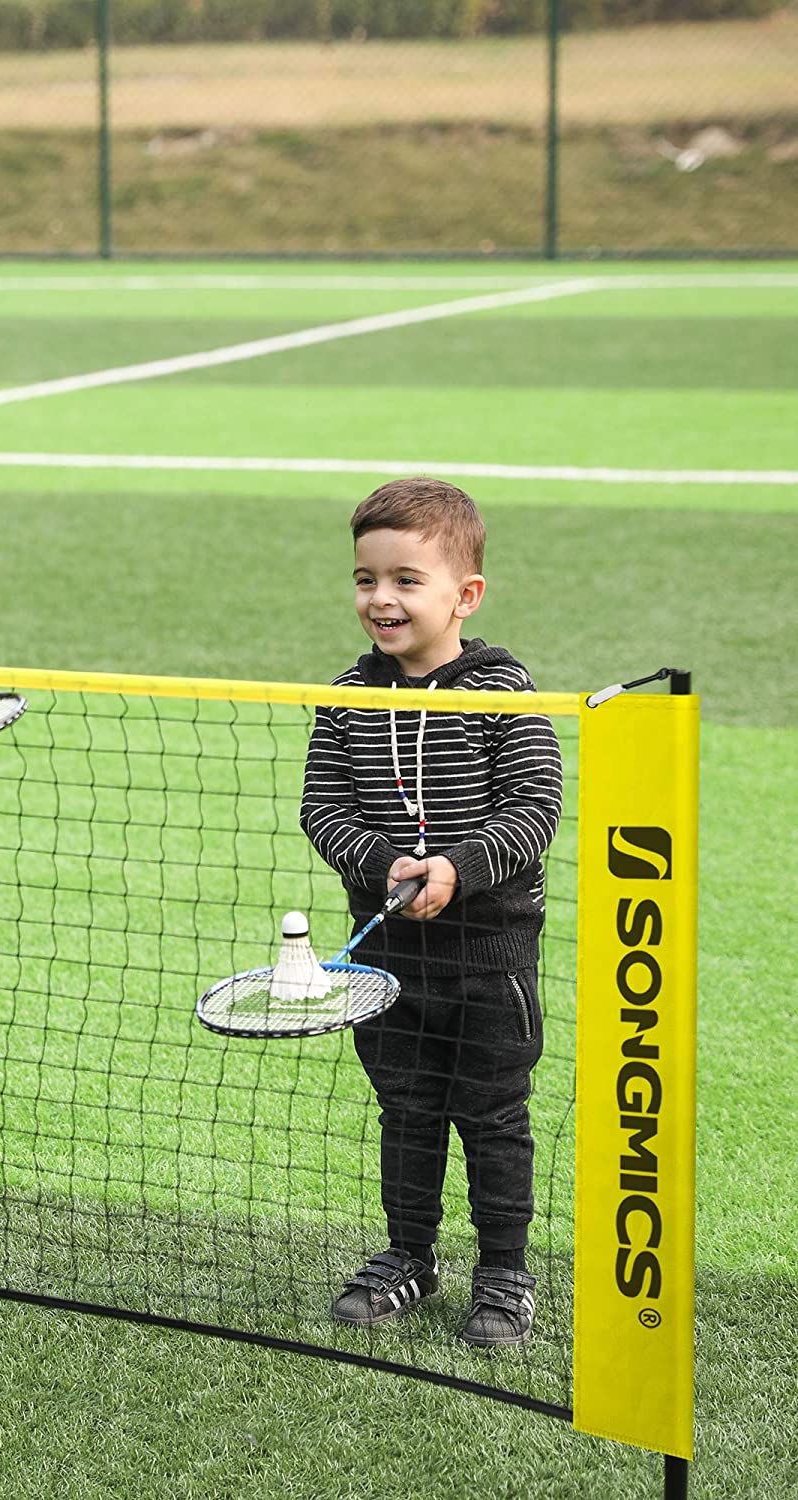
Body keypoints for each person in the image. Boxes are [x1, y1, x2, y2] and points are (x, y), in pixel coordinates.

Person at [300, 476, 562, 1347]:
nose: (381, 598)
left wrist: (455, 868)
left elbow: (533, 810)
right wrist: (384, 864)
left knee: (493, 1119)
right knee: (406, 1111)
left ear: (465, 595)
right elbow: (322, 809)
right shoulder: (347, 694)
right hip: (387, 965)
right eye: (366, 579)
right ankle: (409, 1254)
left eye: (407, 580)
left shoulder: (504, 690)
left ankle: (504, 1274)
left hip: (488, 961)